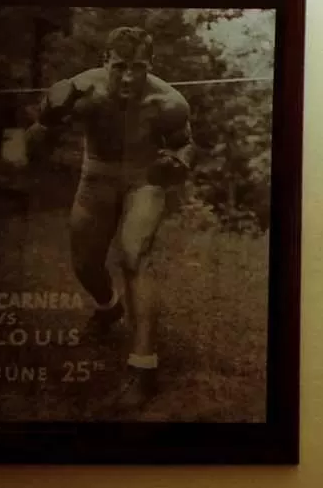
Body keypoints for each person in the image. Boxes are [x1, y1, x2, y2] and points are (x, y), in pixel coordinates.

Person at [20, 25, 194, 405]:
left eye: (138, 67)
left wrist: (178, 162)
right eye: (120, 67)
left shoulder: (168, 102)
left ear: (150, 65)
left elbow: (184, 146)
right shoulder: (85, 92)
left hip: (144, 180)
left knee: (134, 255)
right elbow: (32, 148)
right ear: (105, 62)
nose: (128, 77)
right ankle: (108, 307)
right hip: (95, 178)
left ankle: (143, 366)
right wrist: (48, 115)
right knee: (85, 264)